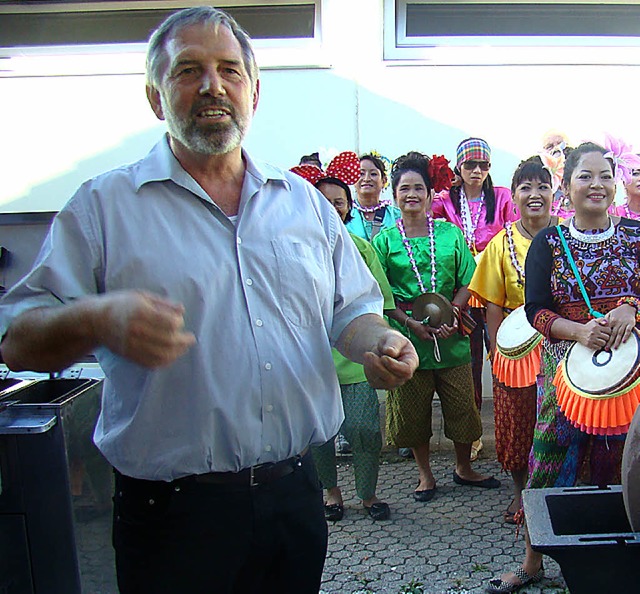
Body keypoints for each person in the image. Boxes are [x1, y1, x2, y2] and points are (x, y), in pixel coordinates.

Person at [0, 8, 419, 594]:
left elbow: (350, 310)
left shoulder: (304, 204)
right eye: (188, 70)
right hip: (172, 516)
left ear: (255, 91)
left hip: (293, 499)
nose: (213, 85)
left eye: (229, 70)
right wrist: (95, 318)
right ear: (155, 96)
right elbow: (17, 338)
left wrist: (380, 341)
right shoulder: (103, 208)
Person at [486, 142, 640, 593]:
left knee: (628, 466)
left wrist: (632, 307)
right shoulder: (549, 242)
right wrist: (578, 332)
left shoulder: (636, 237)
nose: (597, 184)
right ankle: (533, 563)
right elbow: (534, 310)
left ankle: (622, 557)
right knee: (550, 462)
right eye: (585, 176)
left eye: (605, 176)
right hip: (564, 375)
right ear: (566, 187)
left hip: (629, 373)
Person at [373, 151, 500, 503]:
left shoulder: (449, 234)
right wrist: (410, 322)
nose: (411, 195)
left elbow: (467, 279)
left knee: (462, 404)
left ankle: (463, 468)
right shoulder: (384, 242)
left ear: (431, 195)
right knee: (413, 410)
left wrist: (453, 313)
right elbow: (381, 292)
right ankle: (425, 475)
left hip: (451, 338)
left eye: (418, 188)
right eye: (404, 189)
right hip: (408, 340)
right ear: (394, 195)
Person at [292, 152, 395, 521]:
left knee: (365, 428)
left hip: (355, 359)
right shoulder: (293, 247)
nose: (331, 208)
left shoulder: (361, 248)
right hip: (311, 361)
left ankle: (368, 495)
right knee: (319, 434)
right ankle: (330, 494)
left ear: (349, 207)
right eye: (323, 201)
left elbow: (377, 299)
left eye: (339, 202)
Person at [468, 156, 558, 525]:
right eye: (526, 187)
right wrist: (495, 351)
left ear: (555, 193)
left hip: (562, 345)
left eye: (542, 187)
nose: (534, 195)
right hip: (515, 349)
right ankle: (521, 494)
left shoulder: (567, 236)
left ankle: (557, 493)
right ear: (514, 195)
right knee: (517, 424)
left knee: (558, 422)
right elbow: (491, 305)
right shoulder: (500, 244)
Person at [431, 137, 517, 459]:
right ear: (459, 167)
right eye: (470, 165)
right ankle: (473, 433)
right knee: (469, 366)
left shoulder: (503, 198)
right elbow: (426, 220)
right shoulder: (445, 200)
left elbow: (512, 236)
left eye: (483, 165)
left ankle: (509, 426)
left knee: (502, 360)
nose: (477, 171)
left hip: (496, 294)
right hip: (461, 294)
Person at [347, 152, 401, 242]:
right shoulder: (345, 214)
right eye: (361, 173)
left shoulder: (396, 216)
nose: (367, 179)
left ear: (384, 181)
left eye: (373, 174)